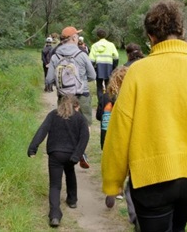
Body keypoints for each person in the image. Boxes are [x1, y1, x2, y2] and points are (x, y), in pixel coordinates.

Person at [101, 0, 187, 232]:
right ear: (181, 31)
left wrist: (113, 181)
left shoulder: (138, 72)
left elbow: (119, 130)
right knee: (178, 226)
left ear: (151, 37)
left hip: (152, 182)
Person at [27, 95, 90, 228]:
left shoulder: (53, 115)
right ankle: (72, 200)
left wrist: (33, 148)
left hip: (55, 154)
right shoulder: (79, 118)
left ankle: (55, 215)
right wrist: (77, 155)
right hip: (71, 154)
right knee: (70, 172)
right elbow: (85, 137)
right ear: (76, 106)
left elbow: (42, 130)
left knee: (55, 185)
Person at [46, 26, 96, 126]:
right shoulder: (82, 55)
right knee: (85, 125)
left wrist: (63, 83)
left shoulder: (55, 56)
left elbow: (49, 80)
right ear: (73, 38)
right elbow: (93, 76)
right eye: (77, 35)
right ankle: (82, 142)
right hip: (82, 94)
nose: (78, 37)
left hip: (63, 96)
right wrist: (82, 80)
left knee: (64, 124)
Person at [89, 29, 119, 102]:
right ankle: (109, 101)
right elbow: (116, 56)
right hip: (109, 67)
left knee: (99, 87)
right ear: (105, 35)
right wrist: (114, 66)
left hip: (98, 67)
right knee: (108, 85)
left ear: (97, 36)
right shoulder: (111, 45)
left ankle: (100, 102)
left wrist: (91, 69)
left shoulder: (94, 45)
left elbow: (91, 60)